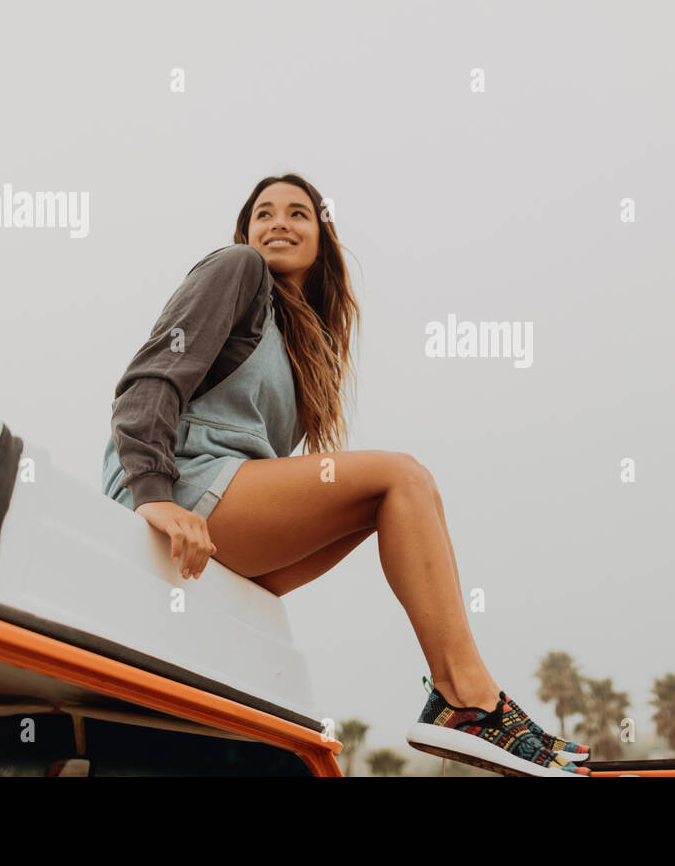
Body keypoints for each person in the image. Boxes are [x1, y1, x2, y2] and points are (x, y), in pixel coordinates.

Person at [99, 173, 591, 776]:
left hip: (222, 517)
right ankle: (469, 700)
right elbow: (147, 382)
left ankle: (470, 701)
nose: (279, 222)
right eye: (265, 213)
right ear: (246, 232)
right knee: (402, 478)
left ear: (321, 238)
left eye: (299, 213)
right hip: (177, 492)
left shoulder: (307, 341)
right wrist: (153, 493)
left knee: (400, 504)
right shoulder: (237, 269)